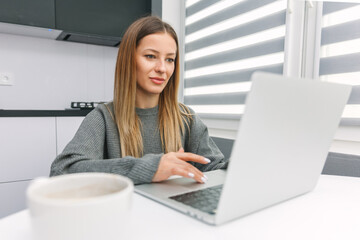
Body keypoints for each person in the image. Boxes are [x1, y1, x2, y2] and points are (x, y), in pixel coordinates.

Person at [50, 16, 228, 185]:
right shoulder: (103, 118)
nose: (162, 68)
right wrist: (149, 168)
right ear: (129, 59)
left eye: (170, 59)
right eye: (150, 56)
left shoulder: (187, 118)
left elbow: (214, 168)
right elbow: (61, 172)